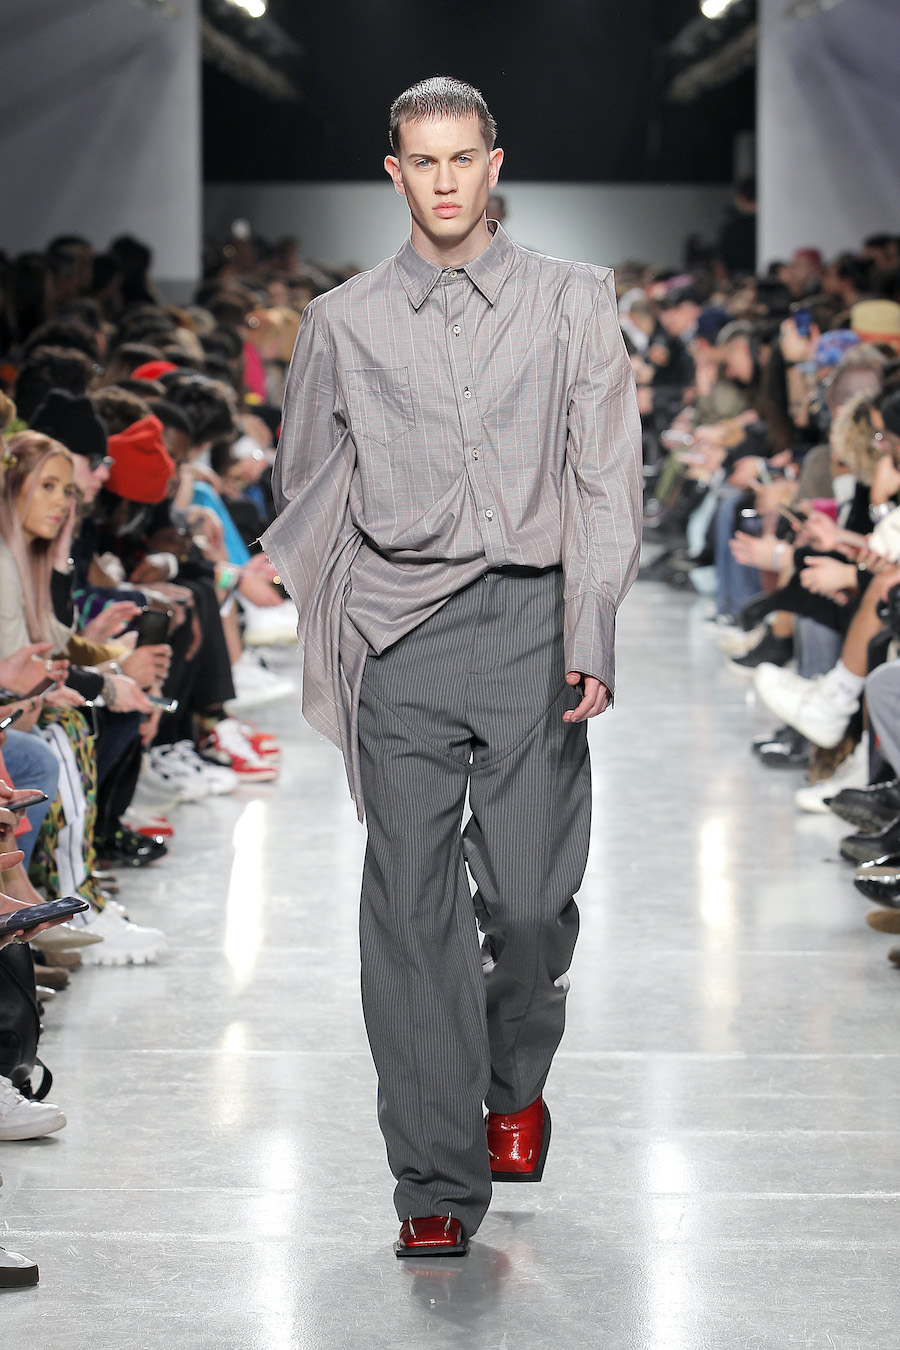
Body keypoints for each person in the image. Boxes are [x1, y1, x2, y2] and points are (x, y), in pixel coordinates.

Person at [263, 76, 642, 1258]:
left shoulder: (575, 301)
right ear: (395, 172)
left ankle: (513, 1082)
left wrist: (591, 627)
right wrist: (331, 621)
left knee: (527, 904)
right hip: (401, 629)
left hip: (534, 622)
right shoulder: (342, 322)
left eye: (462, 158)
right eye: (421, 160)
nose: (443, 180)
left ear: (492, 164)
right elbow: (308, 483)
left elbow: (605, 477)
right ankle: (433, 1178)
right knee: (409, 907)